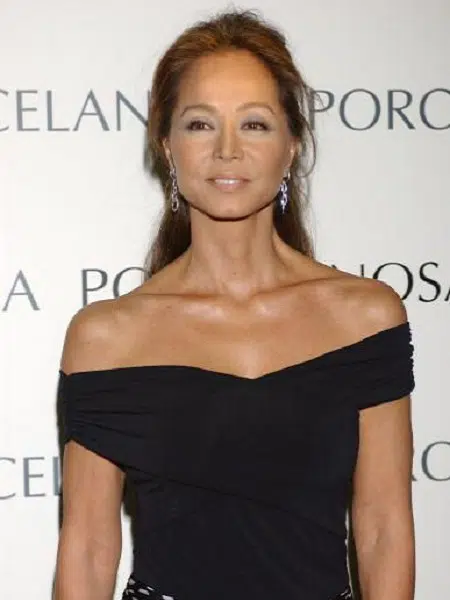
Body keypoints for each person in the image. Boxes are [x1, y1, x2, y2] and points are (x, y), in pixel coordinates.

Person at [53, 9, 415, 600]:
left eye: (254, 124)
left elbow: (383, 529)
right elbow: (89, 548)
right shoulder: (105, 337)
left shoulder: (365, 319)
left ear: (291, 146)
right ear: (166, 146)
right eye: (200, 124)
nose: (227, 150)